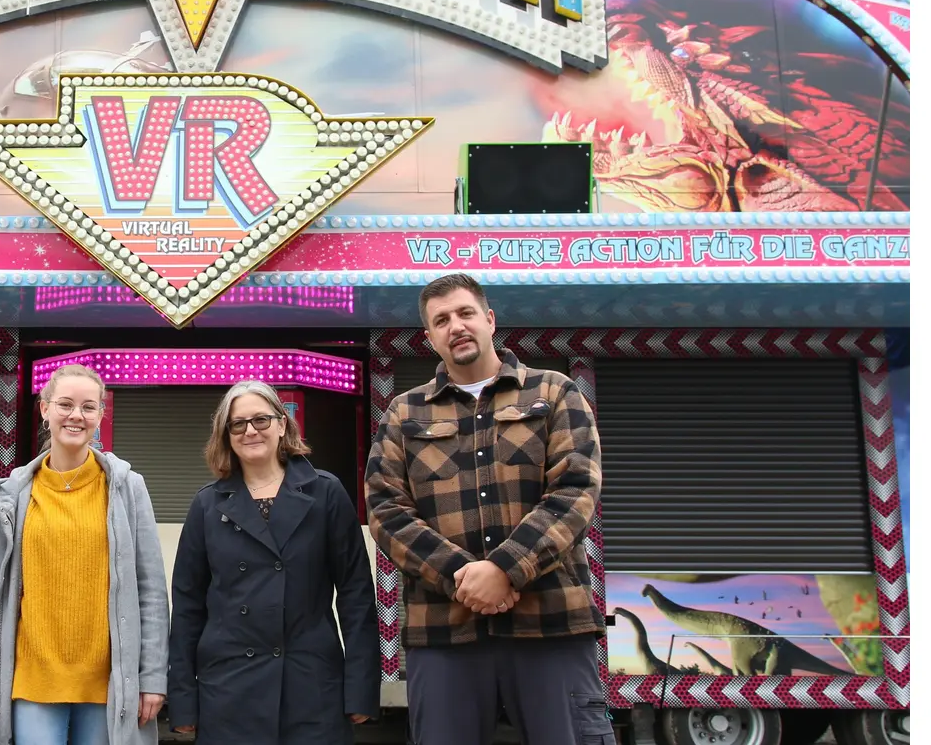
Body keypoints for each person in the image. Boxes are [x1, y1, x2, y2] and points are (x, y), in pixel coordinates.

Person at [365, 274, 613, 745]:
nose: (455, 326)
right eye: (441, 320)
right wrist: (463, 576)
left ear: (489, 319)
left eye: (465, 313)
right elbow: (384, 509)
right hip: (443, 631)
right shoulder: (403, 413)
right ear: (429, 337)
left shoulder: (555, 391)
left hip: (550, 623)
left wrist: (504, 569)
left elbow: (576, 489)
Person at [168, 381, 380, 744]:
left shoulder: (325, 493)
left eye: (261, 420)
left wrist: (361, 690)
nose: (250, 431)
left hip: (311, 688)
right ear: (227, 434)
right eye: (238, 424)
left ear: (283, 425)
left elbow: (356, 596)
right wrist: (183, 700)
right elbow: (187, 606)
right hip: (229, 691)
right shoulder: (206, 505)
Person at [0, 364, 169, 745]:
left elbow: (152, 591)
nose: (76, 416)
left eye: (88, 407)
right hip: (33, 678)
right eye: (65, 404)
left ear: (100, 416)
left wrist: (153, 676)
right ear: (44, 409)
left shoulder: (126, 488)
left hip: (107, 680)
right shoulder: (12, 496)